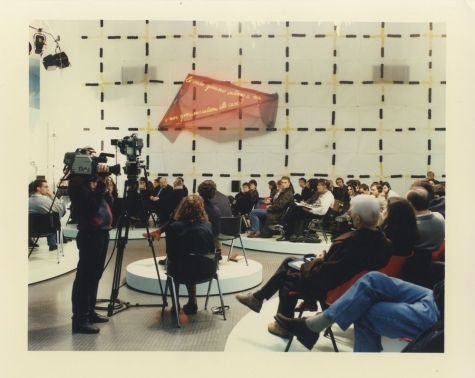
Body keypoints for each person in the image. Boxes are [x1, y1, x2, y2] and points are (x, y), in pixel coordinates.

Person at [236, 195, 392, 338]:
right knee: (290, 260)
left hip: (331, 289)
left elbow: (322, 276)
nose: (349, 214)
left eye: (351, 212)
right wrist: (326, 258)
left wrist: (320, 258)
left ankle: (281, 324)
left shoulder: (348, 245)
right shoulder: (385, 243)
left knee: (287, 279)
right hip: (353, 288)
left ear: (357, 219)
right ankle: (258, 298)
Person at [274, 272, 443, 352]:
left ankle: (312, 327)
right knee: (373, 278)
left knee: (362, 313)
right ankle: (312, 327)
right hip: (437, 294)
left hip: (441, 314)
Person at [68, 146, 113, 334]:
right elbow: (90, 206)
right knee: (85, 278)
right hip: (90, 234)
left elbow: (108, 201)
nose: (95, 162)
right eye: (91, 158)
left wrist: (106, 184)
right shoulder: (77, 181)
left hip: (102, 232)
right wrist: (101, 184)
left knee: (95, 276)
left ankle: (90, 312)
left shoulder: (92, 181)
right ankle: (80, 320)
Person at [165, 195, 216, 315]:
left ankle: (175, 305)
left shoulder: (173, 227)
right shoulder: (208, 225)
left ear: (182, 208)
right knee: (193, 262)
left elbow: (170, 254)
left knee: (177, 264)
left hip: (182, 271)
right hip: (206, 271)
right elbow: (211, 250)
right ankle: (192, 302)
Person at [403, 187, 445, 287]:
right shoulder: (440, 217)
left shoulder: (409, 225)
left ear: (410, 204)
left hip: (411, 270)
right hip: (432, 265)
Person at [28, 179, 65, 251]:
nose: (48, 189)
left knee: (53, 214)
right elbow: (59, 208)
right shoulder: (46, 201)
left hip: (31, 230)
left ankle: (52, 243)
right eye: (46, 187)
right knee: (60, 208)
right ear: (38, 188)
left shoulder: (27, 201)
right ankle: (52, 243)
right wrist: (52, 196)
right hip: (47, 229)